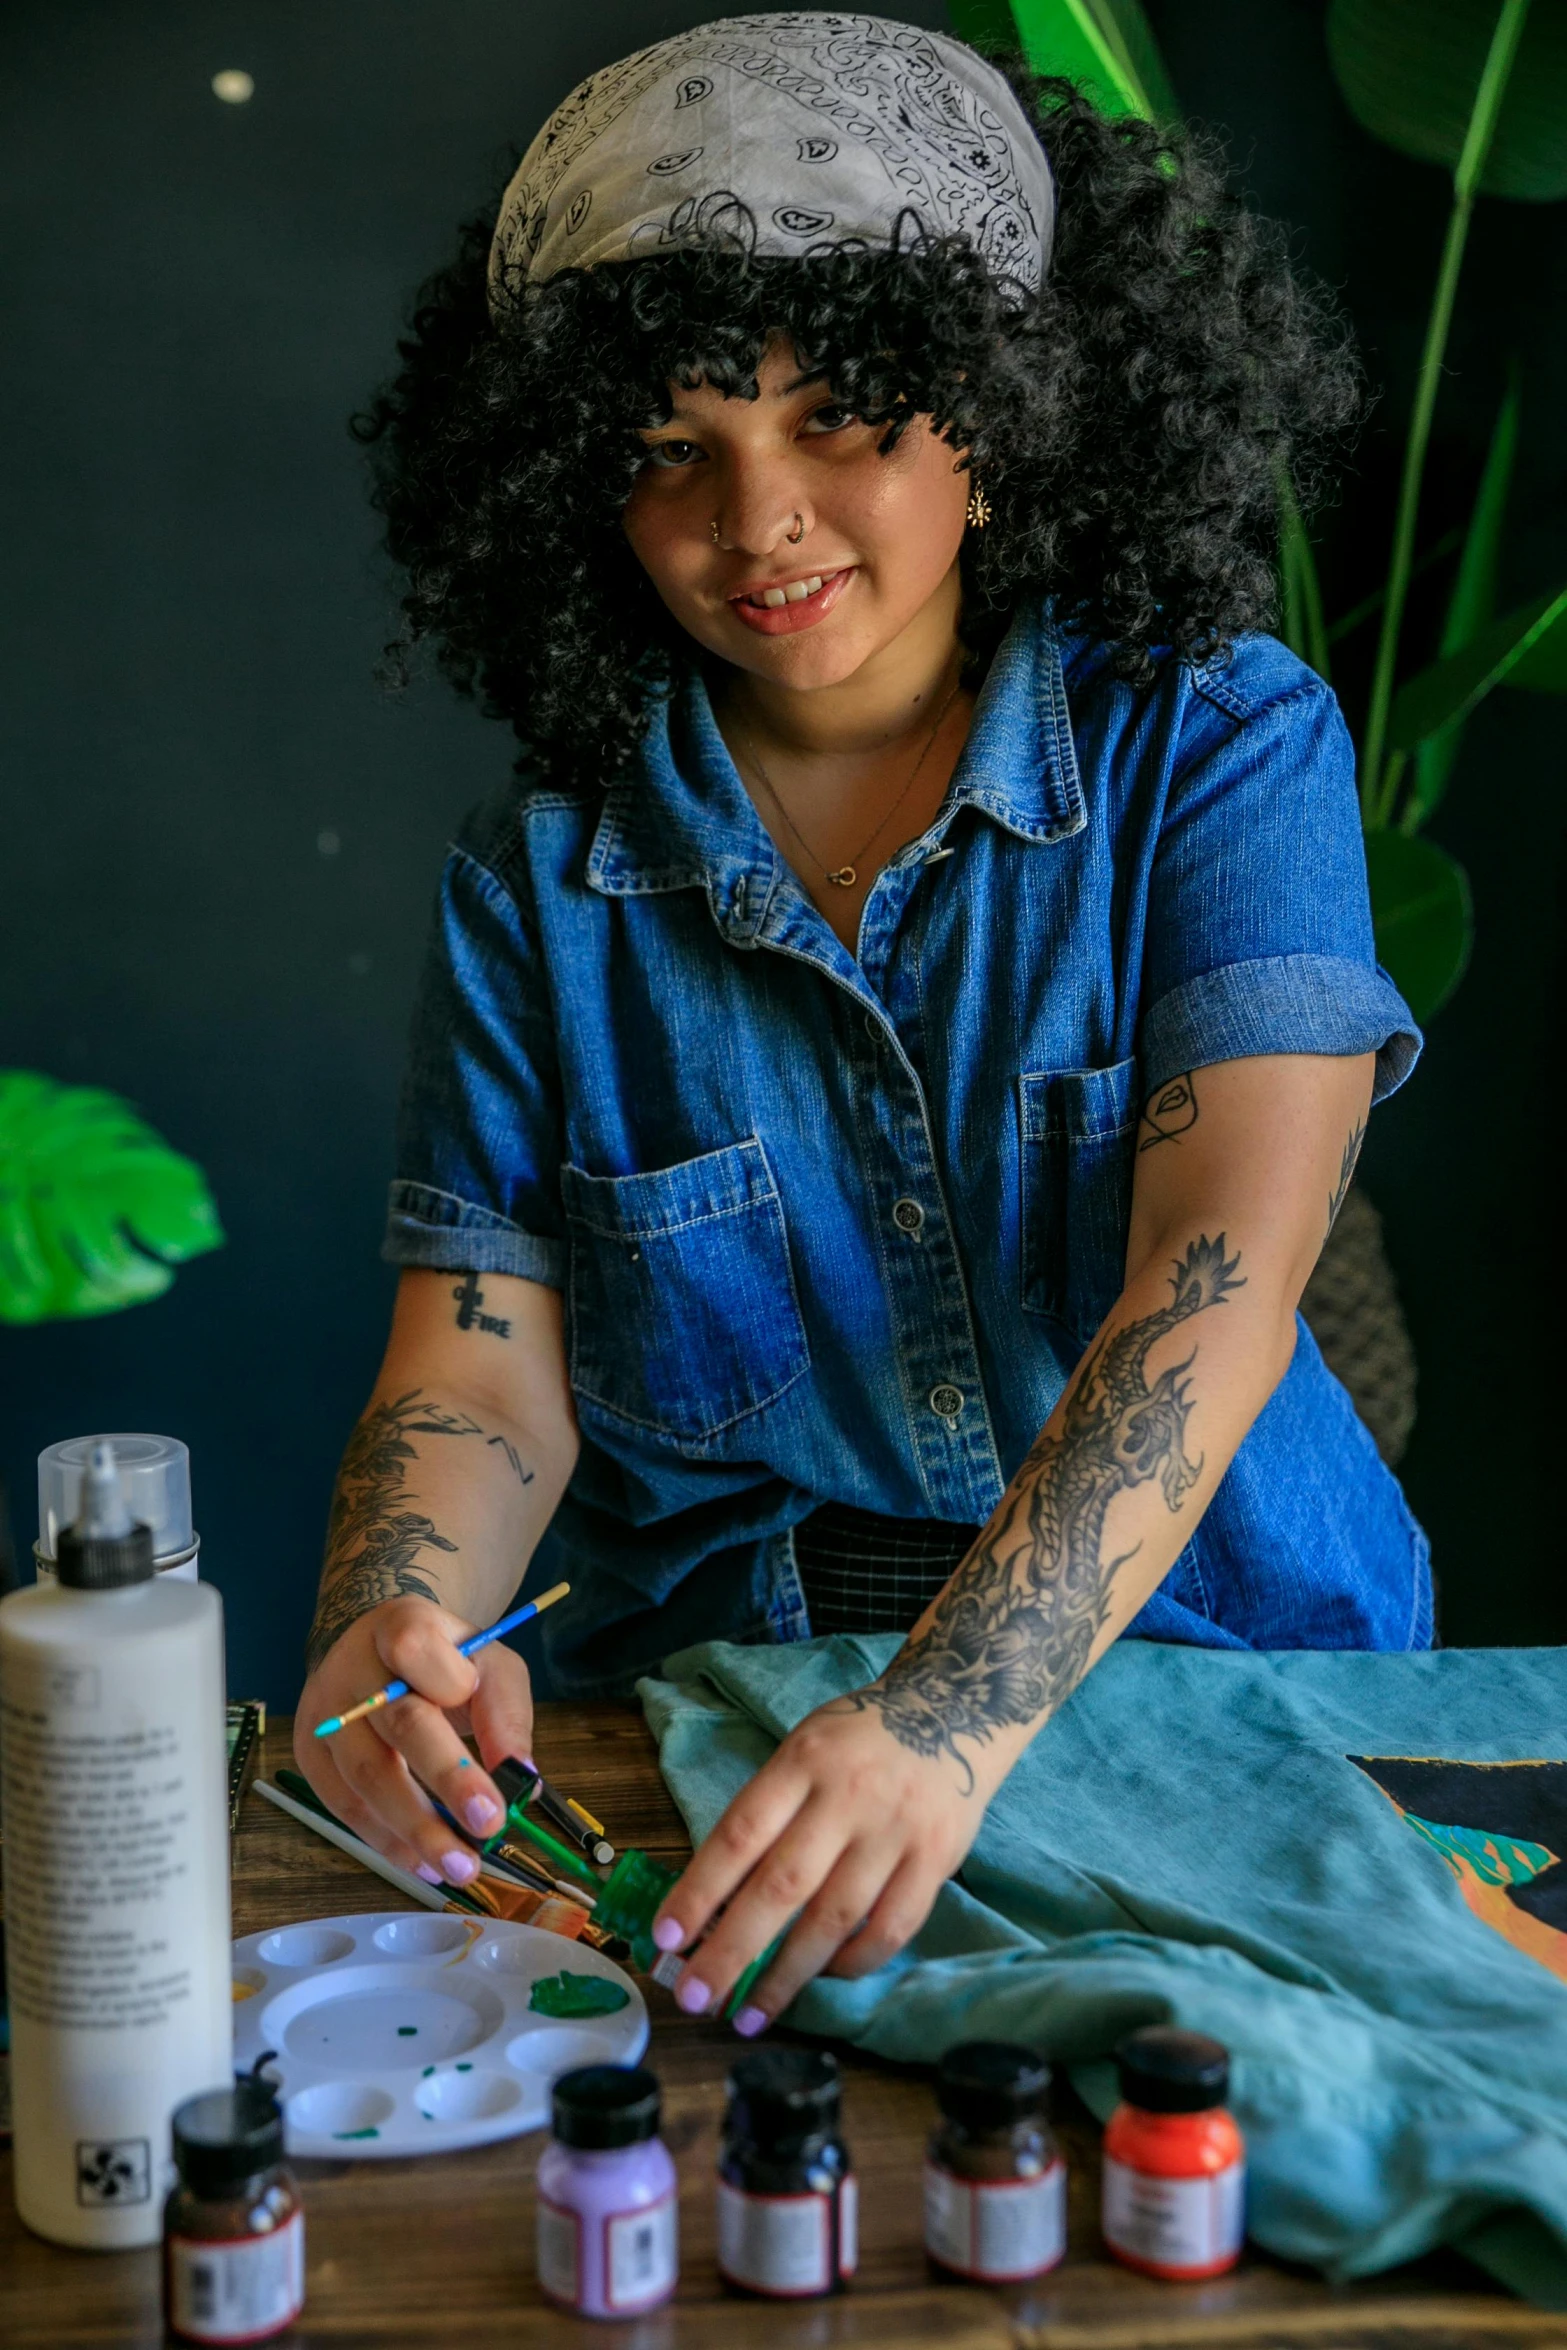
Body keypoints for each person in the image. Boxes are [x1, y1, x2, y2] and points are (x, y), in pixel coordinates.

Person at [296, 14, 1428, 2036]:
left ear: (1009, 410)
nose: (762, 523)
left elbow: (1217, 1272)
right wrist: (398, 1625)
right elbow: (480, 1367)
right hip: (718, 1738)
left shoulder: (1226, 743)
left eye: (844, 418)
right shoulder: (536, 875)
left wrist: (944, 1717)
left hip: (1242, 1690)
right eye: (670, 447)